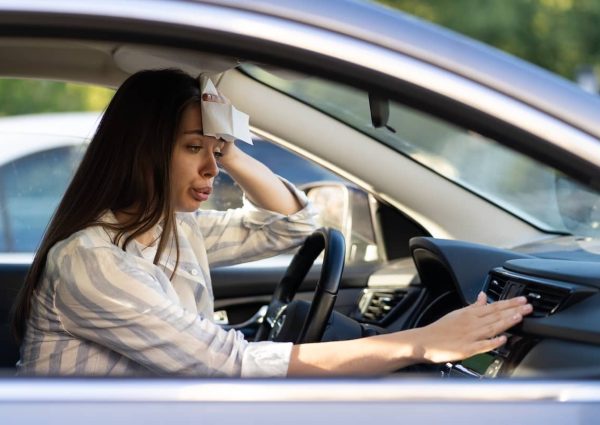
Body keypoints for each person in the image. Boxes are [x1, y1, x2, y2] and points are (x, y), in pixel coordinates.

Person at [12, 69, 532, 377]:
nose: (211, 169)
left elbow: (290, 225)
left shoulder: (169, 230)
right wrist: (420, 343)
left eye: (215, 151)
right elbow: (226, 365)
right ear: (141, 152)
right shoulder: (93, 260)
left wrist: (230, 148)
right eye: (194, 148)